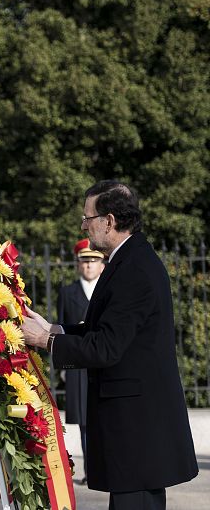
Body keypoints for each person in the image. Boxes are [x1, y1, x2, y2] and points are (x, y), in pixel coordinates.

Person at [21, 180, 198, 510]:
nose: (84, 225)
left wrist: (45, 340)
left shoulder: (134, 269)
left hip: (137, 428)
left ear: (110, 221)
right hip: (135, 427)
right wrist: (54, 328)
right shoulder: (128, 259)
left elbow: (105, 347)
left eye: (87, 218)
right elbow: (100, 328)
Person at [57, 238, 105, 485]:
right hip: (78, 367)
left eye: (94, 260)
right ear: (78, 264)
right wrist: (64, 368)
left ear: (102, 264)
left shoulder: (108, 290)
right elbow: (61, 330)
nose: (89, 266)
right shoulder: (67, 292)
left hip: (101, 360)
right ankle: (91, 469)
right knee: (85, 422)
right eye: (85, 261)